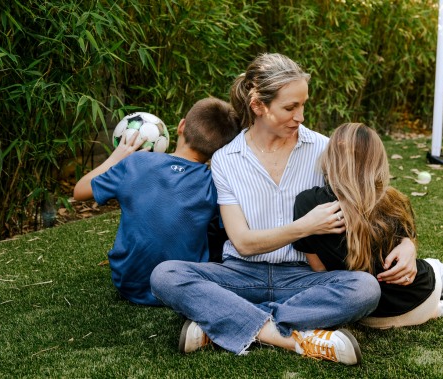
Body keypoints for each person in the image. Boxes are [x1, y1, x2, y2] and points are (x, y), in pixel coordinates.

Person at [150, 53, 419, 366]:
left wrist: (407, 243)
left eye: (303, 105)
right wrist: (305, 227)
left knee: (364, 289)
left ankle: (223, 323)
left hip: (305, 279)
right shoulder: (226, 159)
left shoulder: (323, 148)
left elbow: (372, 197)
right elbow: (244, 243)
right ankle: (289, 335)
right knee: (165, 275)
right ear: (258, 106)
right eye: (290, 107)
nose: (301, 116)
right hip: (240, 274)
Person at [293, 123, 443, 328]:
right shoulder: (390, 200)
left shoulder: (307, 203)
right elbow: (406, 243)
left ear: (330, 156)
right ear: (377, 161)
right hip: (416, 297)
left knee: (410, 289)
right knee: (437, 267)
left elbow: (320, 270)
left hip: (369, 317)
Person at [72, 97, 240, 306]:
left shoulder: (134, 163)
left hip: (129, 284)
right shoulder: (212, 183)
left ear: (181, 126)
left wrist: (116, 158)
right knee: (222, 221)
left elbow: (79, 191)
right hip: (183, 284)